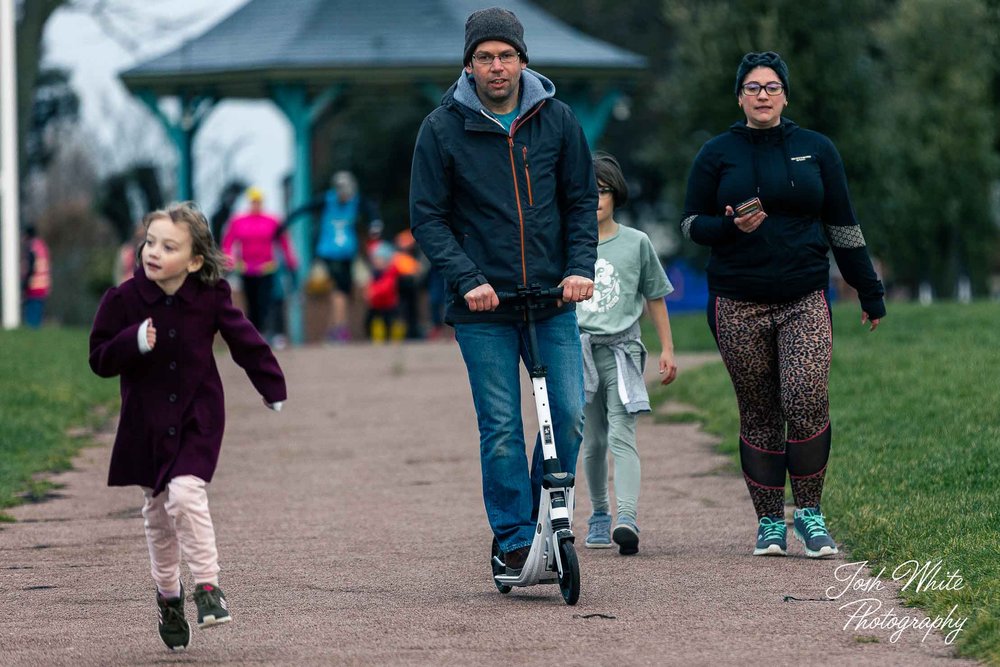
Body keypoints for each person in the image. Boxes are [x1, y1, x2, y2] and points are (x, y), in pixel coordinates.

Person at [409, 7, 598, 576]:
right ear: (469, 65)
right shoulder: (442, 128)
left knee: (566, 413)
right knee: (500, 429)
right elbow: (427, 218)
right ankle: (513, 538)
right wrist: (468, 280)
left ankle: (548, 516)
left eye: (506, 56)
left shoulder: (557, 119)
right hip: (483, 309)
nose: (497, 67)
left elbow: (581, 201)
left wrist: (579, 267)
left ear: (522, 61)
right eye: (485, 58)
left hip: (551, 300)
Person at [680, 51, 885, 558]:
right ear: (740, 97)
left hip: (803, 296)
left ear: (785, 95)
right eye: (753, 87)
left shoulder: (816, 149)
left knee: (805, 395)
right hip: (737, 300)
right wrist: (729, 227)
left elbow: (843, 225)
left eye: (772, 86)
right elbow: (689, 225)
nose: (763, 95)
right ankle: (770, 522)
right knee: (760, 410)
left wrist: (869, 290)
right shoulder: (716, 153)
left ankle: (810, 515)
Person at [89, 202, 287, 651]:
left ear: (195, 260)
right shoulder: (121, 301)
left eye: (169, 246)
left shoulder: (211, 295)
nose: (154, 252)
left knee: (185, 493)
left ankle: (208, 587)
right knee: (158, 514)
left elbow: (245, 342)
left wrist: (271, 385)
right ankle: (169, 597)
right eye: (150, 242)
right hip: (146, 424)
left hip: (199, 417)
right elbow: (98, 358)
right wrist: (132, 340)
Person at [577, 153, 678, 555]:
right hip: (579, 353)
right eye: (587, 191)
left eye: (602, 190)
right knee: (593, 441)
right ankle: (599, 513)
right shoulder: (568, 243)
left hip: (622, 351)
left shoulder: (636, 243)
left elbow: (655, 296)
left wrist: (667, 348)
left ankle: (627, 518)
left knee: (623, 433)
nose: (595, 198)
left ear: (615, 194)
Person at [283, 171, 382, 342]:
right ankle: (340, 329)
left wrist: (375, 223)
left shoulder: (356, 201)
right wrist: (284, 224)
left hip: (348, 254)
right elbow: (303, 209)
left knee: (345, 293)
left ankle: (334, 329)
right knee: (339, 291)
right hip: (329, 253)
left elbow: (371, 210)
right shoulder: (327, 200)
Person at [220, 187, 298, 339]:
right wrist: (229, 261)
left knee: (266, 301)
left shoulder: (272, 221)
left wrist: (291, 262)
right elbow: (228, 242)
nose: (256, 205)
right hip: (246, 269)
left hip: (267, 268)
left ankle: (269, 332)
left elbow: (284, 242)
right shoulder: (238, 221)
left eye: (258, 202)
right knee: (251, 302)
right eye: (253, 202)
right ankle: (254, 334)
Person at [20, 225, 51, 328]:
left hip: (33, 286)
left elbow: (30, 268)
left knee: (32, 318)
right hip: (43, 285)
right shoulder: (42, 246)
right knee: (38, 314)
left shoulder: (31, 248)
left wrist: (24, 285)